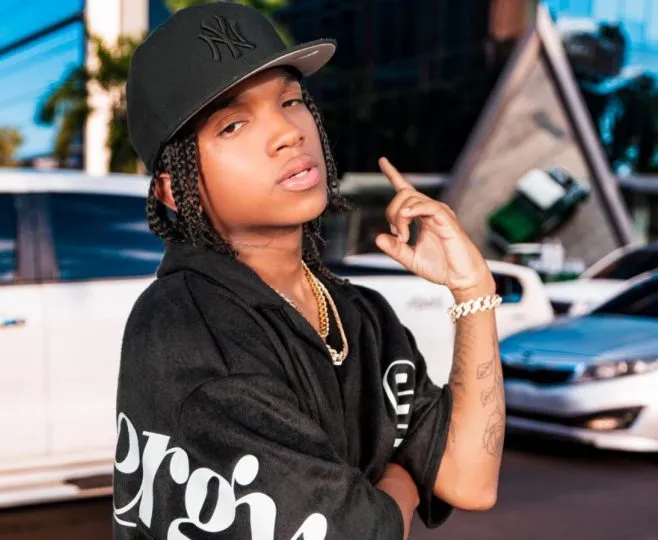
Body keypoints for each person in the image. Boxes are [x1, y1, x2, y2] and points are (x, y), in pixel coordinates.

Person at [114, 3, 505, 539]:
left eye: (291, 101)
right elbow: (362, 532)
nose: (287, 133)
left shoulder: (361, 315)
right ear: (174, 191)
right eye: (233, 124)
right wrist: (403, 480)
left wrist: (472, 289)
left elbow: (470, 481)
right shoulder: (187, 327)